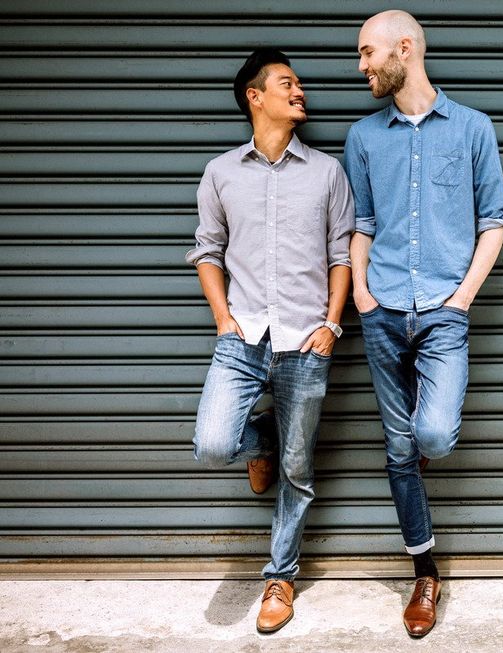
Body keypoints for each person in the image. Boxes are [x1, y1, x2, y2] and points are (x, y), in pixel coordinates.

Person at [344, 10, 503, 638]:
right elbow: (361, 224)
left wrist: (462, 299)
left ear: (403, 50)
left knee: (431, 437)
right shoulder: (364, 137)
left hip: (444, 314)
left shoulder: (472, 129)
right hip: (382, 309)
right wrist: (361, 294)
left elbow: (492, 222)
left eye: (367, 53)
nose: (360, 67)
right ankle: (425, 570)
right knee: (396, 450)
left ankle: (420, 446)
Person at [185, 48, 354, 633]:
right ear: (255, 97)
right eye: (287, 83)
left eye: (299, 83)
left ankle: (280, 576)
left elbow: (341, 255)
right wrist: (222, 320)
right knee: (211, 444)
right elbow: (207, 252)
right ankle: (259, 441)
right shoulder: (221, 172)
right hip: (244, 335)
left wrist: (331, 325)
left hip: (306, 342)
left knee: (298, 468)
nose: (299, 91)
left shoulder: (328, 172)